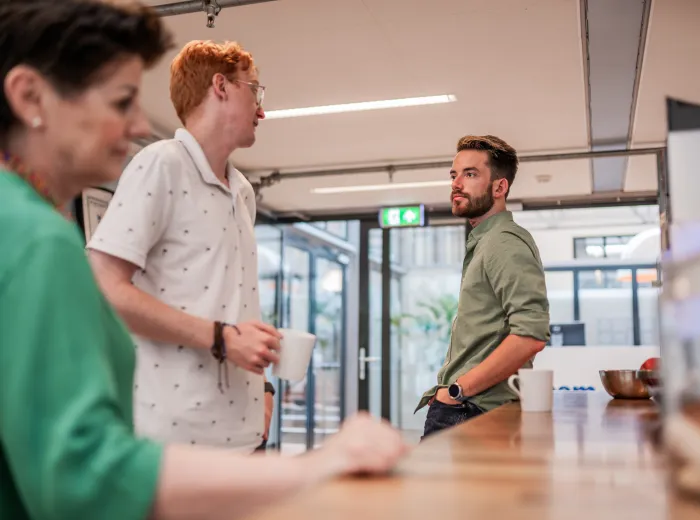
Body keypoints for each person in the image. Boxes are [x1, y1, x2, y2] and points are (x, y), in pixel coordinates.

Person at [0, 2, 406, 520]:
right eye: (123, 100)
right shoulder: (37, 239)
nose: (140, 122)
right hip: (174, 439)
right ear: (29, 96)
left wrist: (258, 384)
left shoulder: (32, 223)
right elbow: (84, 474)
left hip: (226, 433)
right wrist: (317, 465)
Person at [87, 39, 278, 453]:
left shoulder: (242, 189)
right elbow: (103, 289)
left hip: (242, 436)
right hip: (173, 440)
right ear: (221, 86)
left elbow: (233, 305)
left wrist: (265, 388)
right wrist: (222, 338)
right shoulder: (161, 164)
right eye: (255, 91)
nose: (262, 110)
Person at [416, 135, 551, 438]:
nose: (456, 183)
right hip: (469, 406)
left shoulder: (502, 242)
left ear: (500, 187)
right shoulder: (486, 241)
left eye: (471, 174)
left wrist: (457, 390)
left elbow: (531, 334)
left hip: (471, 408)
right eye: (454, 174)